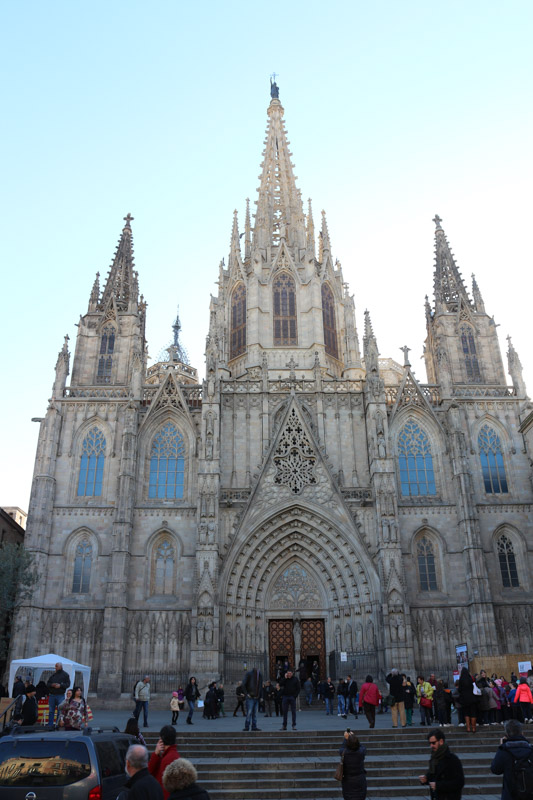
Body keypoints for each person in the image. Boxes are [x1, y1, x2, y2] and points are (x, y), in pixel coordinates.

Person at [491, 719, 533, 800]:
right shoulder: (530, 749)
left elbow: (495, 769)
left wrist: (500, 747)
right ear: (522, 733)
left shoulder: (504, 750)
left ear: (506, 735)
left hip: (510, 794)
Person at [418, 728, 464, 800]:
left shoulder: (452, 759)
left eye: (433, 743)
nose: (431, 746)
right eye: (430, 743)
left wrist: (439, 786)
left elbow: (459, 782)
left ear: (441, 741)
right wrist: (426, 779)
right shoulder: (434, 757)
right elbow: (433, 775)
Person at [148, 725, 180, 800]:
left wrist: (155, 754)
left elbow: (150, 773)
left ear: (162, 739)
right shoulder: (171, 755)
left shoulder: (168, 758)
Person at [339, 730, 367, 800]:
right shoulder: (361, 752)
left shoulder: (344, 753)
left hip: (347, 779)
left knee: (348, 796)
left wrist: (346, 739)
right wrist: (354, 737)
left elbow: (342, 748)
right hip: (360, 779)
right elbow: (362, 747)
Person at [46, 662, 70, 729]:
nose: (55, 667)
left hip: (60, 695)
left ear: (60, 667)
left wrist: (60, 685)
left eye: (56, 666)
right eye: (55, 666)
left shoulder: (65, 675)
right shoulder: (53, 675)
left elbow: (68, 684)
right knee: (51, 711)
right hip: (52, 695)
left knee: (60, 710)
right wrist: (52, 685)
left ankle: (57, 724)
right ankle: (50, 725)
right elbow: (47, 684)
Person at [458, 666, 478, 733]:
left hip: (464, 699)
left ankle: (468, 727)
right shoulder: (470, 679)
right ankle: (474, 728)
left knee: (466, 713)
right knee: (473, 713)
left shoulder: (461, 680)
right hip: (472, 698)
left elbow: (459, 690)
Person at [242, 666, 262, 731]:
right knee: (249, 712)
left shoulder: (260, 675)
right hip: (250, 697)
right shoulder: (249, 674)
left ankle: (254, 726)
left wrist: (260, 696)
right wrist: (246, 694)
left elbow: (260, 686)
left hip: (257, 697)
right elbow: (243, 684)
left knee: (255, 713)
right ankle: (247, 726)